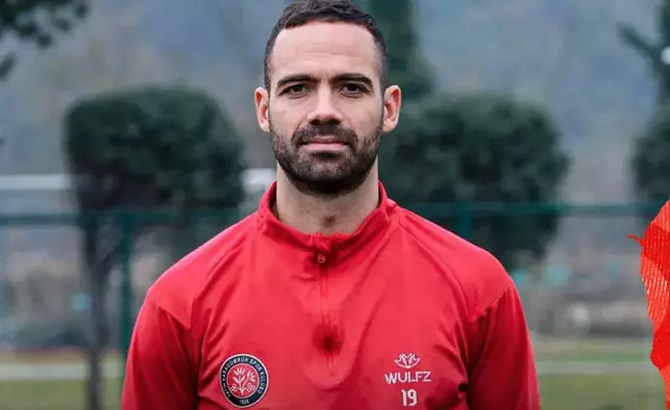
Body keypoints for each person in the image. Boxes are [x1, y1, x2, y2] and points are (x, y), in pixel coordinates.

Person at [121, 0, 540, 408]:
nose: (324, 111)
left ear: (390, 108)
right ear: (264, 110)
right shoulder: (180, 305)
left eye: (351, 88)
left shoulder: (479, 292)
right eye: (298, 88)